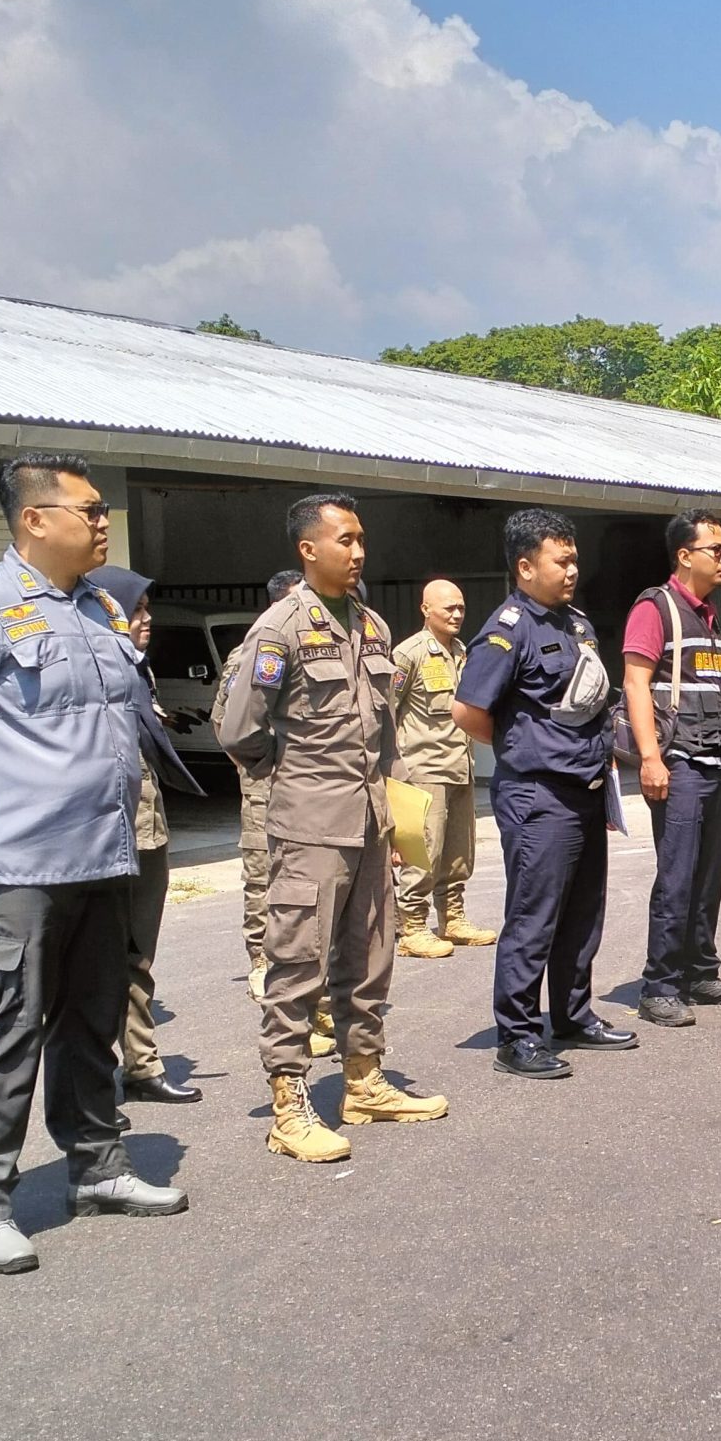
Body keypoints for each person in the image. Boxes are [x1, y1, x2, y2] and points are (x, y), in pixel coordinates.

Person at [0, 454, 192, 1275]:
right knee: (3, 1032)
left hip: (104, 858)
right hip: (21, 866)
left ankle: (97, 1168)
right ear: (36, 519)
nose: (104, 523)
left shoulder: (98, 611)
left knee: (91, 1024)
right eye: (90, 510)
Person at [216, 492, 447, 1164]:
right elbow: (238, 731)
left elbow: (385, 736)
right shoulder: (278, 630)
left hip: (372, 824)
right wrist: (298, 775)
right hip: (311, 827)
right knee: (298, 965)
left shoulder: (373, 627)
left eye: (361, 539)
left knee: (371, 958)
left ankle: (363, 1083)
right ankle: (288, 1107)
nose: (358, 552)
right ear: (308, 549)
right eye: (344, 540)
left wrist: (398, 817)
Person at [451, 507, 636, 1078]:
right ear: (526, 566)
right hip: (538, 797)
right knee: (534, 916)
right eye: (562, 560)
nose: (572, 569)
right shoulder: (508, 629)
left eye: (574, 558)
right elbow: (469, 711)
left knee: (583, 912)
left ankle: (573, 1015)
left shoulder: (576, 624)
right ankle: (519, 1035)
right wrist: (525, 750)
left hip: (584, 789)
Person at [623, 508, 721, 1026]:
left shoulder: (709, 615)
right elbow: (635, 684)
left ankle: (700, 970)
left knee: (708, 873)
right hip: (679, 766)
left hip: (714, 762)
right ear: (684, 555)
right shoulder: (657, 609)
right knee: (676, 876)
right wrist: (650, 759)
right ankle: (660, 985)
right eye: (714, 550)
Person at [94, 566, 202, 1108]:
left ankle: (140, 1064)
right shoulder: (91, 673)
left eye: (145, 608)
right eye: (134, 609)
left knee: (137, 955)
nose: (146, 618)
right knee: (100, 961)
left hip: (147, 829)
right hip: (106, 835)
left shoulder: (139, 673)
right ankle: (95, 1076)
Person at [391, 578, 497, 959]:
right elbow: (386, 711)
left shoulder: (462, 652)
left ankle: (452, 917)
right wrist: (393, 771)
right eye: (448, 607)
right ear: (425, 609)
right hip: (423, 770)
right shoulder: (409, 654)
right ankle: (412, 927)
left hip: (459, 765)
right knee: (424, 852)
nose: (456, 614)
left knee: (457, 851)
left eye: (461, 608)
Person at [227, 567, 305, 1002]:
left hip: (306, 789)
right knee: (262, 879)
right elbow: (229, 726)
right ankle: (261, 962)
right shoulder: (251, 655)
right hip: (264, 788)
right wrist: (262, 766)